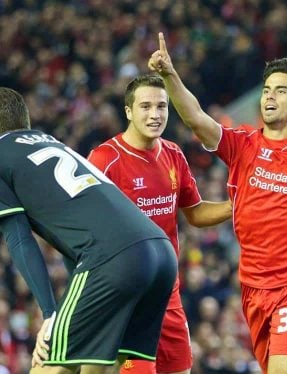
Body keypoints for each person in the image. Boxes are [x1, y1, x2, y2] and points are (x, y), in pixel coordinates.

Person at [148, 32, 287, 373]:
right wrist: (170, 75)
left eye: (280, 91)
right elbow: (196, 118)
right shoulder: (243, 145)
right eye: (267, 90)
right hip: (252, 287)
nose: (269, 96)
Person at [0, 87, 177, 374]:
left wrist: (51, 313)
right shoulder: (51, 142)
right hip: (160, 254)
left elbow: (18, 238)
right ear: (23, 123)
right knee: (125, 363)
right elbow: (76, 235)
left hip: (112, 259)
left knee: (50, 365)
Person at [87, 74, 232, 374]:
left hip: (168, 293)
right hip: (130, 298)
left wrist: (237, 205)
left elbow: (195, 212)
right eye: (145, 106)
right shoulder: (105, 160)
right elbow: (86, 231)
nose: (155, 115)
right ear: (128, 111)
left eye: (161, 106)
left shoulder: (173, 154)